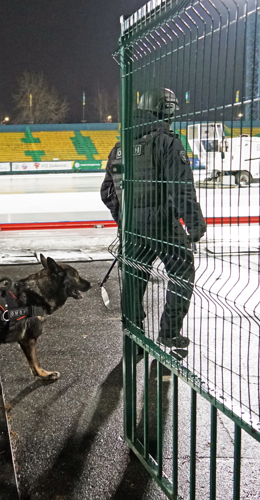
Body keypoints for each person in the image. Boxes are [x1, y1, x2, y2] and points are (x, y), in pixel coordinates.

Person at [100, 88, 206, 349]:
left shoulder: (119, 147)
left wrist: (124, 218)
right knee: (182, 274)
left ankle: (133, 337)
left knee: (133, 281)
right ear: (167, 109)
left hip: (133, 228)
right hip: (164, 226)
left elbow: (107, 192)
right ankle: (169, 332)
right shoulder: (167, 142)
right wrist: (194, 223)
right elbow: (181, 187)